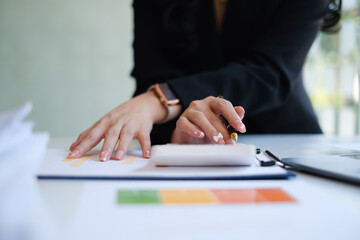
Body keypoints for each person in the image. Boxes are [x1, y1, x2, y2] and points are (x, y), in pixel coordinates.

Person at [68, 0, 327, 161]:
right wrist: (177, 134)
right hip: (186, 145)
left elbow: (270, 72)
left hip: (284, 139)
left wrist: (158, 99)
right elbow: (152, 74)